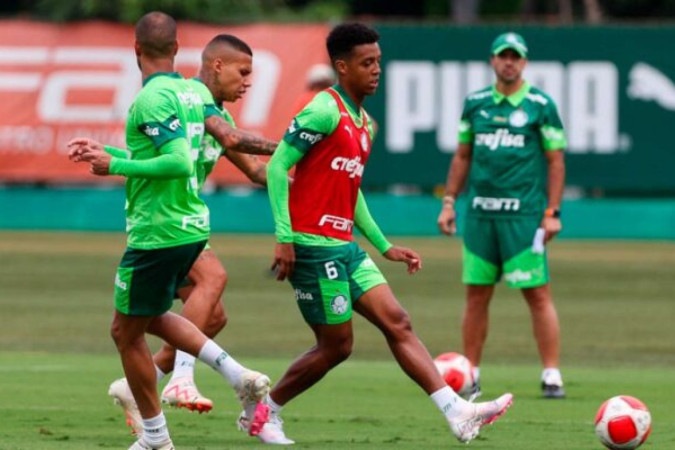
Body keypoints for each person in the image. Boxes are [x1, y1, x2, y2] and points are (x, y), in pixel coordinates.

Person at [242, 22, 513, 446]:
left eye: (378, 62)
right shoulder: (322, 109)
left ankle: (457, 412)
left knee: (398, 322)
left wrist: (385, 246)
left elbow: (351, 192)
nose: (376, 71)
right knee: (336, 346)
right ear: (341, 66)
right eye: (366, 63)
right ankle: (263, 412)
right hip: (312, 249)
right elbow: (278, 166)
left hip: (345, 248)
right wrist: (284, 236)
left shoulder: (366, 124)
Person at [68, 12, 273, 449]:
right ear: (178, 49)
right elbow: (195, 147)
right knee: (155, 317)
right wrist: (102, 150)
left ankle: (157, 436)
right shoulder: (190, 92)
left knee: (125, 332)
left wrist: (114, 165)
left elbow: (178, 160)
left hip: (158, 231)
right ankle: (236, 376)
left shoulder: (152, 99)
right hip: (190, 226)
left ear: (136, 49)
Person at [436, 32, 567, 399]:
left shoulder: (541, 104)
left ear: (524, 62)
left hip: (524, 217)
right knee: (476, 295)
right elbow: (462, 156)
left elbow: (555, 162)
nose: (509, 62)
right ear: (492, 61)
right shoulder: (476, 104)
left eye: (515, 56)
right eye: (502, 56)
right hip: (480, 215)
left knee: (537, 293)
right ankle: (471, 372)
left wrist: (552, 212)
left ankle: (551, 373)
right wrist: (449, 202)